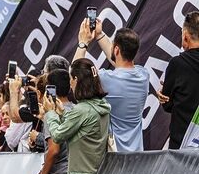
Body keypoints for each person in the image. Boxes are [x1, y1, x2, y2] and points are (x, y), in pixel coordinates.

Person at [74, 19, 148, 151]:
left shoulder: (105, 78)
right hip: (138, 155)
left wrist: (83, 43)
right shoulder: (143, 75)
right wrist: (100, 34)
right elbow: (119, 61)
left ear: (117, 50)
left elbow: (74, 75)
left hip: (115, 156)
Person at [158, 11, 199, 148]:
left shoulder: (177, 64)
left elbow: (167, 104)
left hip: (181, 147)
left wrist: (163, 94)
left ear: (186, 37)